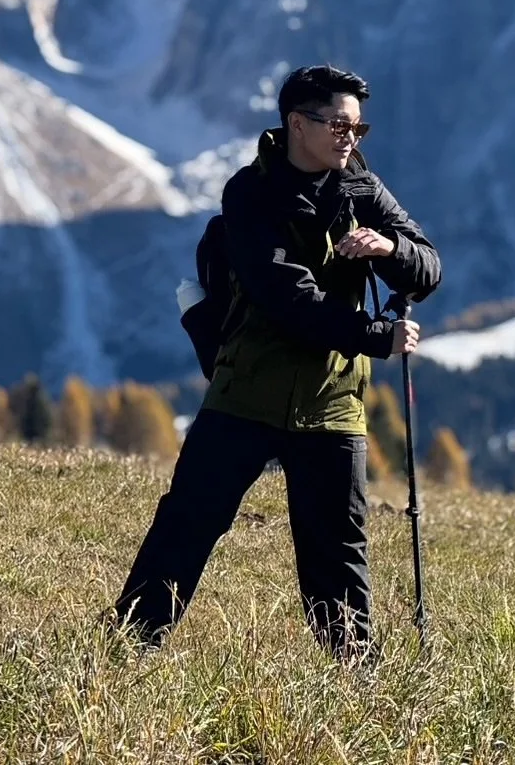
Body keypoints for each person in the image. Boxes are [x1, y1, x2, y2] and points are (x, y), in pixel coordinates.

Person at [108, 63, 441, 658]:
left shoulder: (364, 189)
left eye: (358, 128)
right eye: (339, 124)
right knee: (188, 523)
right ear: (296, 123)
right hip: (246, 392)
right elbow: (286, 296)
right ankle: (127, 649)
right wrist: (373, 335)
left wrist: (389, 247)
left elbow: (430, 268)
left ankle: (355, 680)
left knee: (338, 552)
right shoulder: (250, 193)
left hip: (332, 402)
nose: (350, 138)